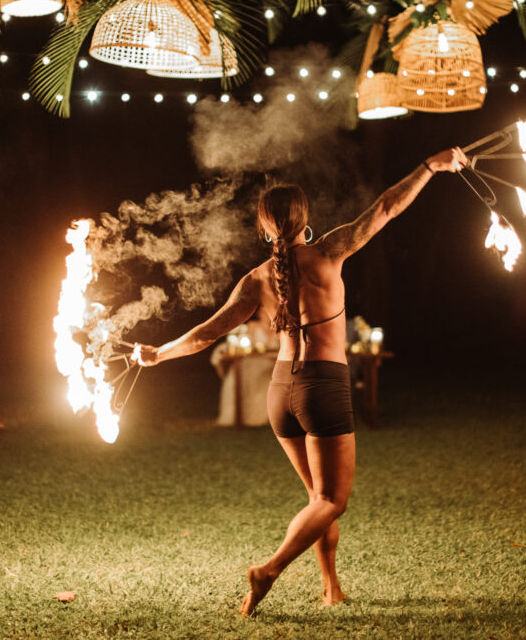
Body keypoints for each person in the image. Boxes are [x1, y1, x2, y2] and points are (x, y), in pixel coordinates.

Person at [132, 146, 469, 615]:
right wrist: (431, 166)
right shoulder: (330, 249)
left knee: (318, 498)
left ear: (265, 226)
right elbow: (387, 206)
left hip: (280, 393)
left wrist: (158, 354)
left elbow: (207, 333)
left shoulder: (255, 280)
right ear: (303, 219)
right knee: (333, 500)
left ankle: (331, 588)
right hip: (323, 388)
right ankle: (268, 569)